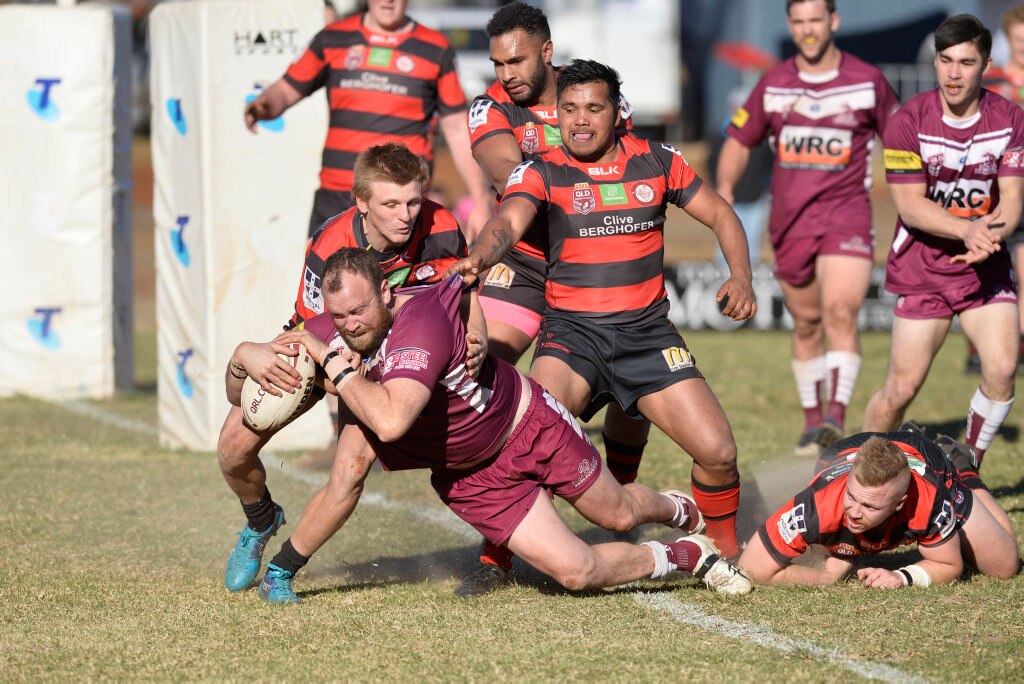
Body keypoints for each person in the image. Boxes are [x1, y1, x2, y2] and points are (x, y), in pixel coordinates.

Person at [231, 249, 753, 603]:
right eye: (339, 317)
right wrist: (244, 355)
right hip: (470, 477)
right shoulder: (331, 328)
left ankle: (678, 507)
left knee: (616, 514)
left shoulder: (420, 325)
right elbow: (240, 391)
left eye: (361, 310)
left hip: (528, 425)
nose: (351, 325)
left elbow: (390, 421)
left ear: (386, 295)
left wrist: (331, 359)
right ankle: (684, 555)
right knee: (576, 574)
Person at [450, 59, 756, 565]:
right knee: (526, 445)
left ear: (617, 113)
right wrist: (481, 257)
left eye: (594, 108)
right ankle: (495, 559)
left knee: (719, 453)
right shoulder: (541, 168)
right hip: (572, 338)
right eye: (568, 109)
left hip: (648, 336)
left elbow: (722, 213)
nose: (580, 120)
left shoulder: (658, 161)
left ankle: (723, 554)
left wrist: (740, 276)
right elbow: (508, 220)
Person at [217, 143, 485, 594]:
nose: (406, 215)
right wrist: (337, 370)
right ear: (361, 203)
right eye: (391, 204)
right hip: (324, 344)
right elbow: (313, 326)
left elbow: (463, 291)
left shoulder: (442, 226)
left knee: (353, 467)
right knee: (232, 447)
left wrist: (475, 334)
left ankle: (282, 572)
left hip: (394, 353)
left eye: (414, 201)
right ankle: (260, 520)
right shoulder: (330, 243)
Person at [456, 0, 654, 598]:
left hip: (594, 266)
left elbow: (632, 164)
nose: (505, 73)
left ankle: (616, 508)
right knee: (488, 375)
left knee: (635, 393)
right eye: (496, 63)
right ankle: (498, 551)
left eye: (516, 60)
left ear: (547, 52)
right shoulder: (489, 107)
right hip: (521, 267)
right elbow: (505, 171)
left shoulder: (591, 94)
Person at [717, 0, 900, 457]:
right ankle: (812, 421)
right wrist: (723, 189)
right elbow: (739, 139)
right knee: (807, 324)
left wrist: (912, 193)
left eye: (815, 20)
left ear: (833, 22)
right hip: (790, 222)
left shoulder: (867, 80)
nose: (808, 30)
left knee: (841, 311)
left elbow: (900, 138)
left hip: (847, 215)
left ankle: (836, 417)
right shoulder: (773, 83)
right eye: (799, 22)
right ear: (790, 26)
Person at [862, 14, 1024, 467]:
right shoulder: (906, 121)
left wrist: (990, 233)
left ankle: (967, 465)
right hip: (923, 269)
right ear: (935, 61)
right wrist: (967, 229)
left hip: (985, 266)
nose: (954, 73)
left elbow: (1012, 198)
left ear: (987, 64)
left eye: (966, 62)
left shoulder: (1011, 118)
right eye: (945, 60)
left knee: (1002, 368)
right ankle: (849, 468)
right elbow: (911, 205)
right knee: (900, 390)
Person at [243, 0, 492, 238]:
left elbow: (457, 127)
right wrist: (265, 104)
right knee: (328, 280)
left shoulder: (435, 47)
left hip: (402, 202)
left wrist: (480, 200)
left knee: (399, 283)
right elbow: (286, 90)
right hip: (339, 196)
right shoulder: (333, 38)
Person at [737, 425, 1019, 588]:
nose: (855, 512)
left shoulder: (930, 498)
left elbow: (948, 564)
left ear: (900, 504)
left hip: (928, 460)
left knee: (1005, 565)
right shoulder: (818, 504)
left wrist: (901, 576)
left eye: (870, 506)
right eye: (852, 497)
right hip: (846, 450)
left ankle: (963, 466)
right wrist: (823, 579)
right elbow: (753, 568)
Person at [969, 3, 1024, 375]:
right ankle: (978, 347)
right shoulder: (990, 82)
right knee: (985, 268)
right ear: (1007, 39)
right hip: (989, 188)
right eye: (1019, 39)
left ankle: (1016, 346)